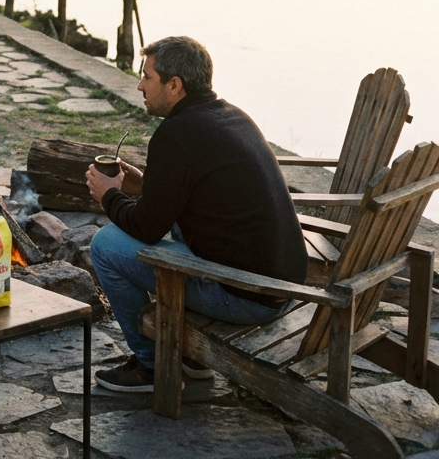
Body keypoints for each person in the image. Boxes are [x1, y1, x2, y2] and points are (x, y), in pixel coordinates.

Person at [86, 36, 308, 392]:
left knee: (105, 245)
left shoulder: (175, 134)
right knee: (169, 224)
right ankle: (189, 359)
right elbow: (202, 192)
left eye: (148, 77)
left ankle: (152, 364)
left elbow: (145, 228)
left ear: (175, 85)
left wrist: (108, 195)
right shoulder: (232, 115)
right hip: (281, 286)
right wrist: (147, 185)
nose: (140, 85)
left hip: (247, 295)